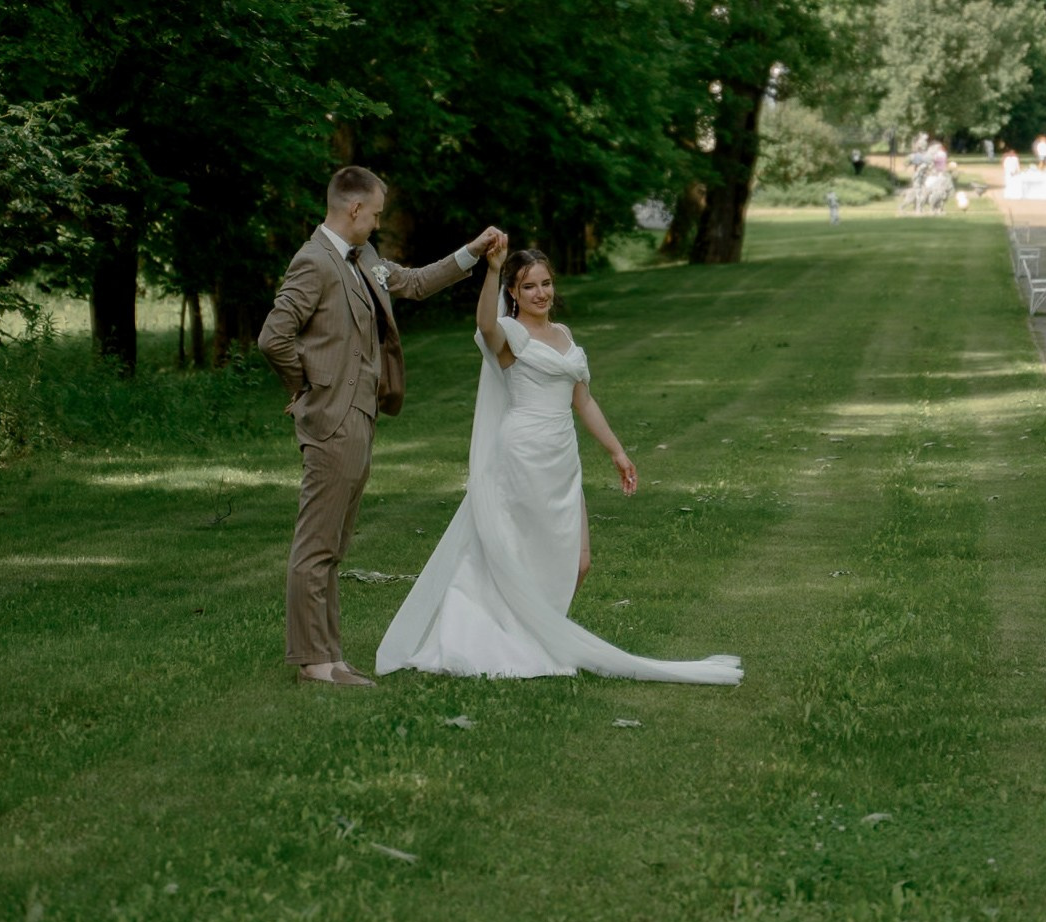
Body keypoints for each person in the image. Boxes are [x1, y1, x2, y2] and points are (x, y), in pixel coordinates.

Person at [376, 238, 742, 685]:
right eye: (529, 287)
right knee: (519, 553)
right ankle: (509, 637)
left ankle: (539, 632)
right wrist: (491, 269)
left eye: (546, 284)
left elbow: (582, 400)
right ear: (514, 292)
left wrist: (617, 452)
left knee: (578, 560)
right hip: (523, 452)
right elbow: (486, 327)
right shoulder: (510, 334)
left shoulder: (564, 335)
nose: (541, 293)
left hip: (561, 455)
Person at [258, 166, 499, 689]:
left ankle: (330, 657)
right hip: (332, 418)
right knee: (315, 545)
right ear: (353, 209)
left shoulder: (362, 258)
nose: (378, 223)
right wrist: (306, 388)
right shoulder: (314, 261)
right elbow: (274, 338)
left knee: (334, 544)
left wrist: (473, 252)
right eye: (376, 214)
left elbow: (412, 283)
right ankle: (312, 662)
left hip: (361, 417)